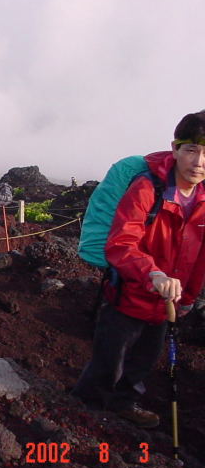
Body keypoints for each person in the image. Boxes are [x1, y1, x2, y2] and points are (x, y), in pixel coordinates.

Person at [72, 110, 205, 428]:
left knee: (144, 360)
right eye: (191, 149)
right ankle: (82, 413)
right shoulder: (149, 188)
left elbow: (200, 256)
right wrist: (152, 274)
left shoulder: (203, 200)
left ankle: (123, 406)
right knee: (108, 360)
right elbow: (121, 243)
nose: (199, 161)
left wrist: (188, 297)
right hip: (128, 295)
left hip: (166, 305)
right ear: (175, 149)